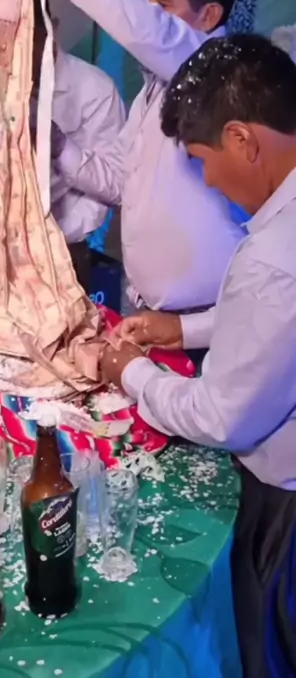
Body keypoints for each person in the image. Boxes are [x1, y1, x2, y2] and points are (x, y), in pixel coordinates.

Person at [101, 34, 296, 678]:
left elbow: (220, 417)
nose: (208, 179)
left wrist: (130, 373)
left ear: (241, 140)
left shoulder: (272, 258)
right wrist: (181, 331)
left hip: (283, 500)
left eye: (201, 160)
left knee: (267, 644)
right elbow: (275, 324)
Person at [0, 0, 245, 315]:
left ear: (209, 16)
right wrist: (57, 144)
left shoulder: (222, 73)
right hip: (142, 305)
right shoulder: (155, 90)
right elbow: (120, 184)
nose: (149, 14)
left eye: (161, 6)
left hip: (207, 317)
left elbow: (137, 24)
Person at [0, 0, 126, 293]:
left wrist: (60, 148)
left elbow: (114, 185)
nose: (9, 55)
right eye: (0, 42)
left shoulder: (95, 90)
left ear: (50, 30)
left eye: (21, 40)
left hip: (64, 253)